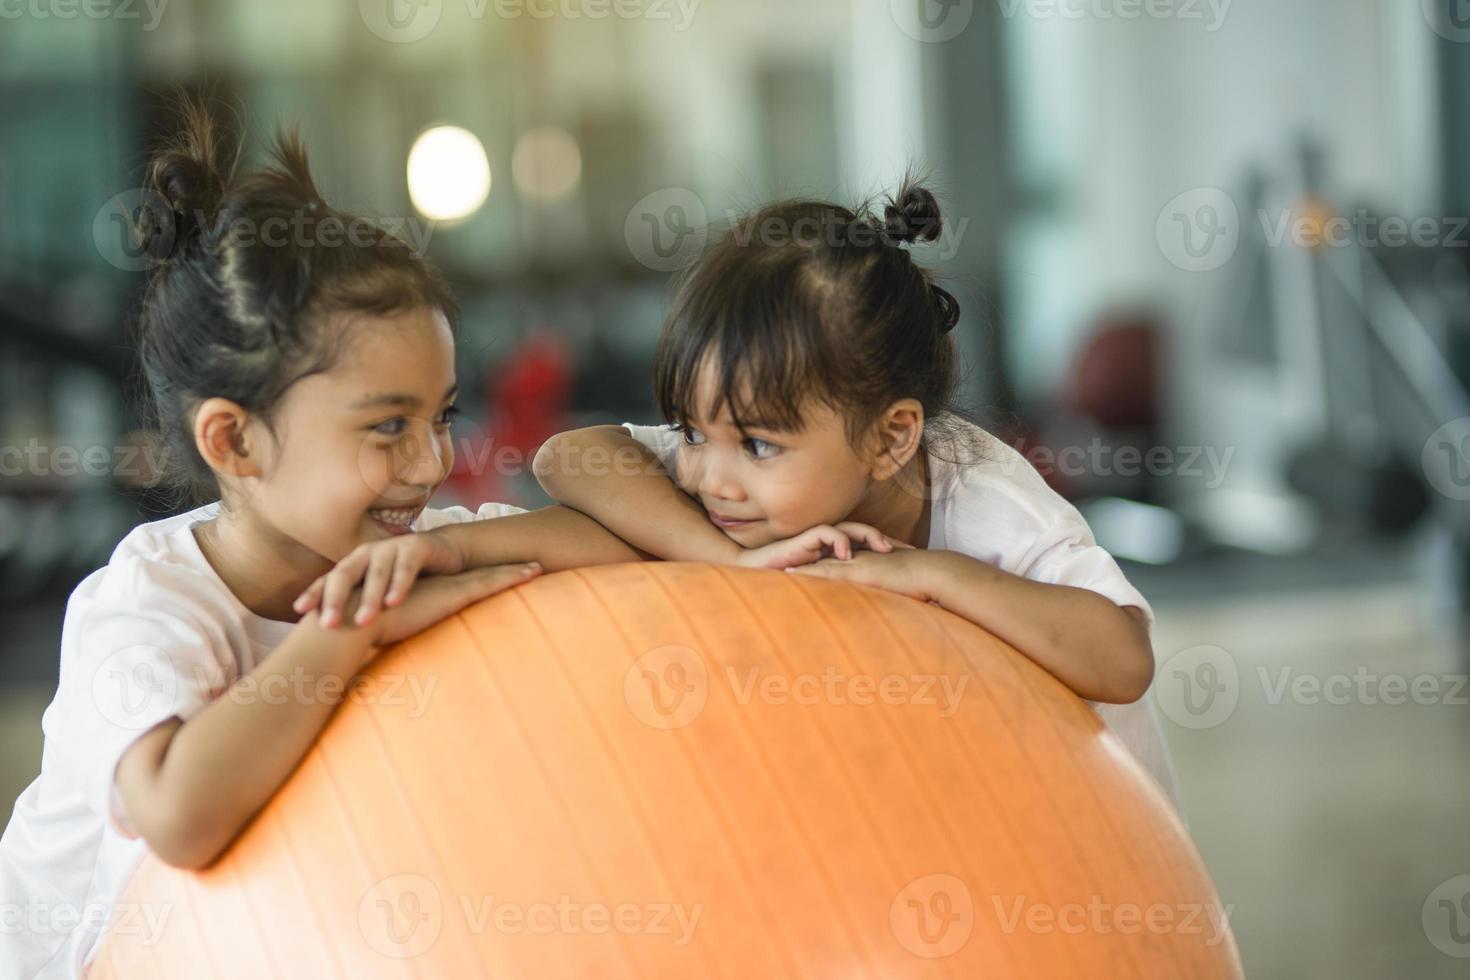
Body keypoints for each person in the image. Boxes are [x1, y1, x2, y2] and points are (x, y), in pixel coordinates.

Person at [0, 101, 642, 979]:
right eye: (387, 428)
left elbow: (612, 547)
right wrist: (351, 630)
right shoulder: (146, 604)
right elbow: (180, 817)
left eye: (442, 415)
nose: (431, 463)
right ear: (233, 442)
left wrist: (456, 554)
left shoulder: (403, 546)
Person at [531, 183, 1183, 810]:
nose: (708, 478)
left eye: (757, 445)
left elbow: (1124, 661)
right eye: (690, 431)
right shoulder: (742, 460)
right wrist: (722, 557)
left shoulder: (985, 499)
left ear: (892, 438)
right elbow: (564, 458)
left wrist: (925, 571)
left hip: (1094, 833)